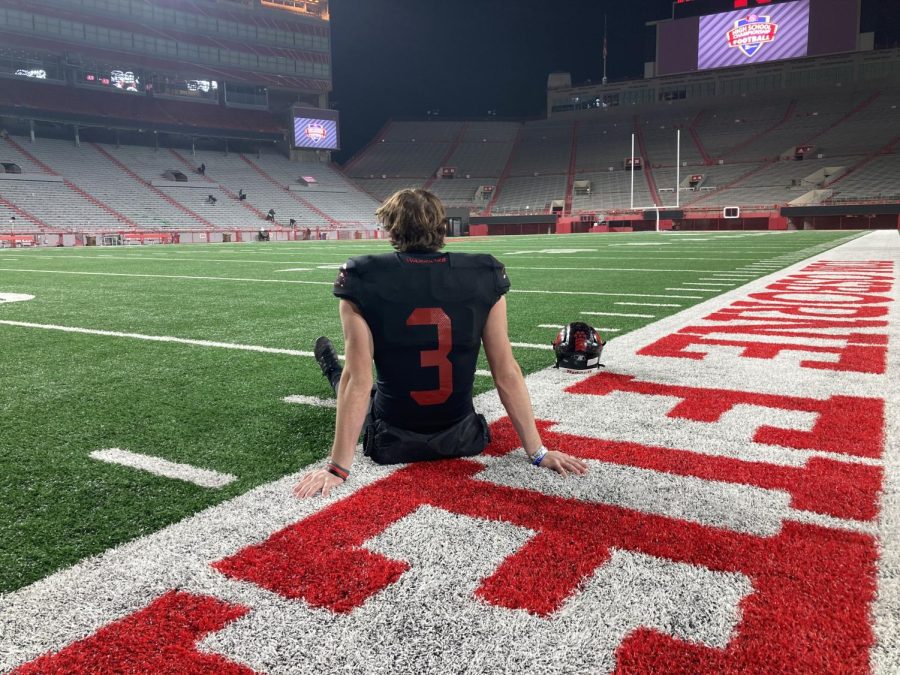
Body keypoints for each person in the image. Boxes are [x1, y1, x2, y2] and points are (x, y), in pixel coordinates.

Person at [294, 188, 587, 498]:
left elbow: (358, 378)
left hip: (394, 434)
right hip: (461, 435)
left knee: (351, 381)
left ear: (391, 229)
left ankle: (329, 367)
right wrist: (538, 452)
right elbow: (506, 371)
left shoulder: (363, 277)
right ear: (442, 227)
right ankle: (331, 366)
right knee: (366, 385)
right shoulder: (484, 275)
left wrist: (337, 468)